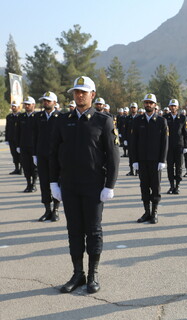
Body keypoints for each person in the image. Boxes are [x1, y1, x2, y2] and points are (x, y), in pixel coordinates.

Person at [50, 76, 120, 294]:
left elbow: (113, 156)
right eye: (76, 92)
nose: (79, 95)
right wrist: (53, 182)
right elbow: (52, 154)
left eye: (83, 92)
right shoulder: (63, 120)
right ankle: (77, 273)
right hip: (69, 186)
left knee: (93, 231)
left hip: (93, 186)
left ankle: (93, 274)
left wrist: (109, 185)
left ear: (92, 95)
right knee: (74, 231)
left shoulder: (103, 120)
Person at [130, 93, 168, 224]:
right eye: (146, 102)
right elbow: (133, 142)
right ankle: (146, 212)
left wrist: (162, 160)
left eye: (151, 103)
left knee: (155, 187)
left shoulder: (161, 121)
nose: (148, 105)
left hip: (155, 161)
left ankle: (154, 212)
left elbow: (165, 142)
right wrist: (134, 160)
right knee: (144, 186)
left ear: (155, 105)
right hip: (142, 160)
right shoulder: (137, 121)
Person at [33, 91, 61, 222]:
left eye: (48, 101)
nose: (45, 103)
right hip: (42, 155)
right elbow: (34, 136)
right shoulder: (38, 116)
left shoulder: (61, 117)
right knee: (44, 183)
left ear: (54, 103)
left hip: (56, 156)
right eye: (44, 101)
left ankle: (56, 209)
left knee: (55, 182)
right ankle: (47, 210)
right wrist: (34, 154)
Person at [164, 99, 187, 194]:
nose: (173, 107)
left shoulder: (183, 118)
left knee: (178, 167)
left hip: (179, 146)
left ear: (177, 107)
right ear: (169, 107)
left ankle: (177, 186)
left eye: (174, 106)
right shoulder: (165, 117)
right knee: (170, 167)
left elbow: (185, 133)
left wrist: (186, 146)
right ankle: (171, 186)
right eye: (171, 106)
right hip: (169, 146)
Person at [16, 96, 38, 192]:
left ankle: (34, 184)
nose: (27, 106)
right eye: (25, 105)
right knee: (26, 166)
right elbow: (18, 132)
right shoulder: (21, 117)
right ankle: (28, 184)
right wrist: (17, 145)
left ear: (33, 105)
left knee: (34, 167)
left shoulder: (37, 117)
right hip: (24, 146)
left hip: (34, 146)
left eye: (28, 104)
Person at [5, 102, 22, 175]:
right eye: (12, 106)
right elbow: (7, 128)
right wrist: (6, 138)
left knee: (20, 155)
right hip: (11, 138)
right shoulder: (9, 116)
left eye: (15, 106)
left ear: (18, 107)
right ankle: (16, 168)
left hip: (19, 139)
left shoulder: (21, 116)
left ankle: (21, 168)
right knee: (14, 154)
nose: (13, 108)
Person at [125, 102, 139, 176]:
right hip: (130, 140)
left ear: (137, 108)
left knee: (138, 155)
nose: (133, 109)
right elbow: (125, 129)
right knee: (130, 156)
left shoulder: (140, 117)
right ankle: (131, 170)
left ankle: (137, 170)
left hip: (138, 140)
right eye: (132, 108)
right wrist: (124, 139)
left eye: (134, 107)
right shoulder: (128, 118)